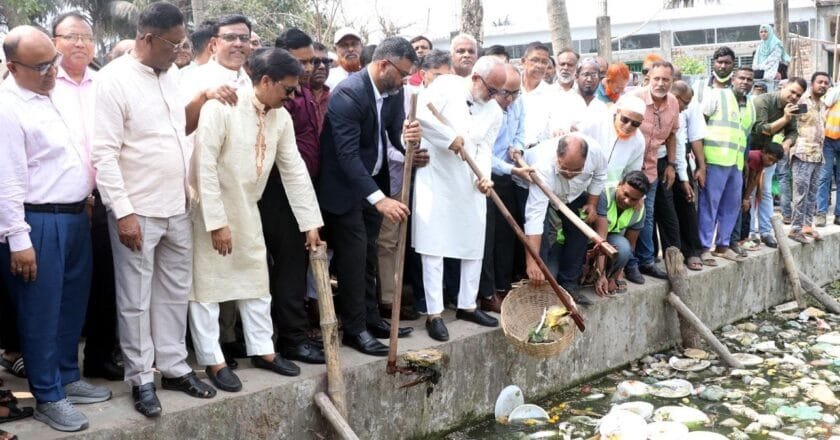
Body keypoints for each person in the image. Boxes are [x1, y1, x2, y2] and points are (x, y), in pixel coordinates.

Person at [92, 2, 216, 418]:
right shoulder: (112, 81)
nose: (180, 52)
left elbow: (178, 131)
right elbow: (105, 155)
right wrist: (122, 212)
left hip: (178, 203)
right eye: (174, 44)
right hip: (138, 208)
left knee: (174, 293)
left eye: (183, 44)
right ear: (147, 38)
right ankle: (141, 377)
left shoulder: (174, 76)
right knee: (135, 299)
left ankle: (175, 367)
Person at [190, 48, 323, 393]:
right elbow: (203, 166)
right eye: (288, 89)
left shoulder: (281, 117)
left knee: (256, 281)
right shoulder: (221, 108)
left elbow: (294, 169)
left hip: (249, 208)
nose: (293, 96)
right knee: (207, 287)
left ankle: (264, 350)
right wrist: (216, 222)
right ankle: (213, 359)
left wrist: (310, 222)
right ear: (265, 81)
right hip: (212, 207)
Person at [1, 25, 112, 433]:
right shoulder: (8, 107)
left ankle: (67, 373)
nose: (52, 72)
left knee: (71, 303)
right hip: (37, 220)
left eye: (54, 62)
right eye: (41, 66)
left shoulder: (52, 97)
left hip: (74, 214)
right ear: (13, 67)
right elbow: (7, 180)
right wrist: (19, 239)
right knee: (41, 311)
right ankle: (48, 395)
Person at [317, 37, 420, 356]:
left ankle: (372, 319)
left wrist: (408, 145)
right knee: (352, 259)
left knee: (369, 256)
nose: (404, 81)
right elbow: (347, 157)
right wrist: (380, 199)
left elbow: (390, 133)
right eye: (402, 74)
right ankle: (355, 329)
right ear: (382, 65)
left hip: (372, 181)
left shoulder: (393, 90)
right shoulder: (348, 95)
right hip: (344, 190)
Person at [50, 11, 123, 382]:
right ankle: (55, 368)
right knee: (63, 286)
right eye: (71, 36)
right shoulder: (44, 84)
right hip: (62, 200)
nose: (80, 43)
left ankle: (99, 356)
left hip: (106, 195)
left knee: (106, 280)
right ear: (54, 42)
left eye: (86, 37)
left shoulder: (104, 83)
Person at [181, 13, 254, 368]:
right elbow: (179, 126)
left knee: (234, 266)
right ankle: (206, 351)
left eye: (244, 38)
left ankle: (228, 337)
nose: (238, 43)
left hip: (241, 190)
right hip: (201, 187)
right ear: (214, 43)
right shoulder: (195, 78)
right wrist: (203, 96)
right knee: (206, 274)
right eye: (230, 37)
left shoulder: (251, 82)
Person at [413, 56, 505, 341]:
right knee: (434, 244)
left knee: (473, 241)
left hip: (469, 179)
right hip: (437, 175)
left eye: (497, 93)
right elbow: (421, 115)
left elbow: (485, 148)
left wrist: (484, 177)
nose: (493, 97)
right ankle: (435, 312)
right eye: (491, 90)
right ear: (476, 78)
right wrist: (447, 136)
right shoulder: (444, 85)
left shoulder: (494, 112)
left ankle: (467, 304)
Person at [262, 28, 328, 363]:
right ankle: (273, 340)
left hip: (298, 188)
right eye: (301, 62)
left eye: (311, 61)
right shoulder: (274, 97)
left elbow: (296, 165)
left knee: (293, 263)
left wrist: (310, 218)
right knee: (275, 265)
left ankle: (292, 336)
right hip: (266, 191)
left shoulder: (302, 92)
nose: (306, 68)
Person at [523, 134, 608, 305]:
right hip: (534, 187)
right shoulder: (543, 165)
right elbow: (534, 219)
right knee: (543, 237)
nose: (569, 173)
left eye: (576, 169)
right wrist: (532, 261)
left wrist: (591, 204)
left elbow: (599, 176)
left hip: (573, 193)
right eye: (565, 168)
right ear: (557, 157)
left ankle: (569, 284)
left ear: (585, 161)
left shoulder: (596, 153)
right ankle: (541, 286)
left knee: (580, 230)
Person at [478, 63, 528, 313]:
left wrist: (517, 148)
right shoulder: (485, 110)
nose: (510, 98)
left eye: (515, 93)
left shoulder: (518, 103)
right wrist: (510, 168)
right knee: (488, 237)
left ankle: (503, 285)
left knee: (507, 234)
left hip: (510, 175)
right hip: (487, 177)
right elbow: (483, 153)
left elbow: (520, 131)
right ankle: (486, 292)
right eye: (505, 93)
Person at [625, 61, 680, 284]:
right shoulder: (634, 99)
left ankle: (645, 261)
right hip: (628, 169)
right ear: (648, 78)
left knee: (644, 216)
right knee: (623, 216)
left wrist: (671, 165)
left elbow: (672, 135)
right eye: (656, 78)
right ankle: (625, 264)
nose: (660, 83)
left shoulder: (674, 102)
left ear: (671, 81)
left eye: (665, 79)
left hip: (651, 169)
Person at [698, 65, 756, 263]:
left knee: (731, 206)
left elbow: (745, 135)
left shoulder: (751, 105)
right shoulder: (717, 96)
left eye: (749, 79)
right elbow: (700, 124)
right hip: (714, 159)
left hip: (736, 164)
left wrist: (745, 162)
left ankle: (722, 246)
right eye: (741, 78)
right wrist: (700, 162)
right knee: (709, 206)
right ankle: (705, 247)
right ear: (733, 79)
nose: (745, 82)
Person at [750, 78, 805, 248]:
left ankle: (765, 231)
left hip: (769, 155)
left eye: (798, 95)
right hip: (750, 153)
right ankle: (751, 232)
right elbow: (761, 128)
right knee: (750, 193)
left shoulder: (791, 108)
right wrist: (785, 118)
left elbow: (793, 132)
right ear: (784, 87)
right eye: (792, 91)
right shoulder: (763, 100)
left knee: (766, 192)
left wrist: (787, 143)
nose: (794, 96)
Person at [788, 72, 830, 243]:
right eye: (820, 82)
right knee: (800, 193)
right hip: (802, 153)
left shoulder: (822, 104)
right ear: (812, 84)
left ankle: (807, 225)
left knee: (812, 193)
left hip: (818, 154)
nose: (823, 85)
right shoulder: (802, 101)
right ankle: (795, 229)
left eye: (826, 83)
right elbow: (790, 121)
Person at [593, 171, 650, 296]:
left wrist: (616, 275)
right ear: (619, 185)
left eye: (634, 199)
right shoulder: (605, 194)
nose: (627, 201)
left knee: (624, 248)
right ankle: (597, 276)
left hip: (610, 239)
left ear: (640, 199)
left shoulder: (640, 211)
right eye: (625, 194)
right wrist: (600, 274)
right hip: (593, 237)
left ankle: (610, 277)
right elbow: (601, 241)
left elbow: (631, 245)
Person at [670, 80, 707, 270]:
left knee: (686, 203)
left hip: (680, 158)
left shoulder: (686, 111)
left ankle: (692, 251)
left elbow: (692, 137)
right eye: (685, 102)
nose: (686, 107)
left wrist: (700, 167)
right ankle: (670, 253)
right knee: (664, 212)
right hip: (656, 160)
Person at [519, 41, 586, 146]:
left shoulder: (552, 95)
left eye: (544, 62)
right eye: (535, 60)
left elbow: (558, 124)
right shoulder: (510, 87)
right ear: (523, 61)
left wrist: (560, 129)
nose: (539, 65)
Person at [580, 94, 646, 187]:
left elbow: (632, 173)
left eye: (635, 124)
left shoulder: (639, 141)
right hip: (581, 184)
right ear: (618, 111)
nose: (628, 126)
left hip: (609, 190)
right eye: (625, 119)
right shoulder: (596, 122)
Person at [742, 143, 785, 225]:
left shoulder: (762, 161)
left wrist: (757, 192)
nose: (770, 163)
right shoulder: (755, 158)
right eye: (770, 159)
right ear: (764, 152)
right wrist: (746, 198)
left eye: (774, 162)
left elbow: (755, 179)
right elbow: (752, 179)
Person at [819, 83, 840, 227]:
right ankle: (821, 213)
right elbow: (823, 107)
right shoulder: (836, 91)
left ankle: (838, 215)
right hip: (829, 139)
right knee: (824, 177)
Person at [310, 42, 331, 134]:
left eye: (326, 62)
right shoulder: (294, 97)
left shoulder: (334, 98)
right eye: (316, 62)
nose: (322, 66)